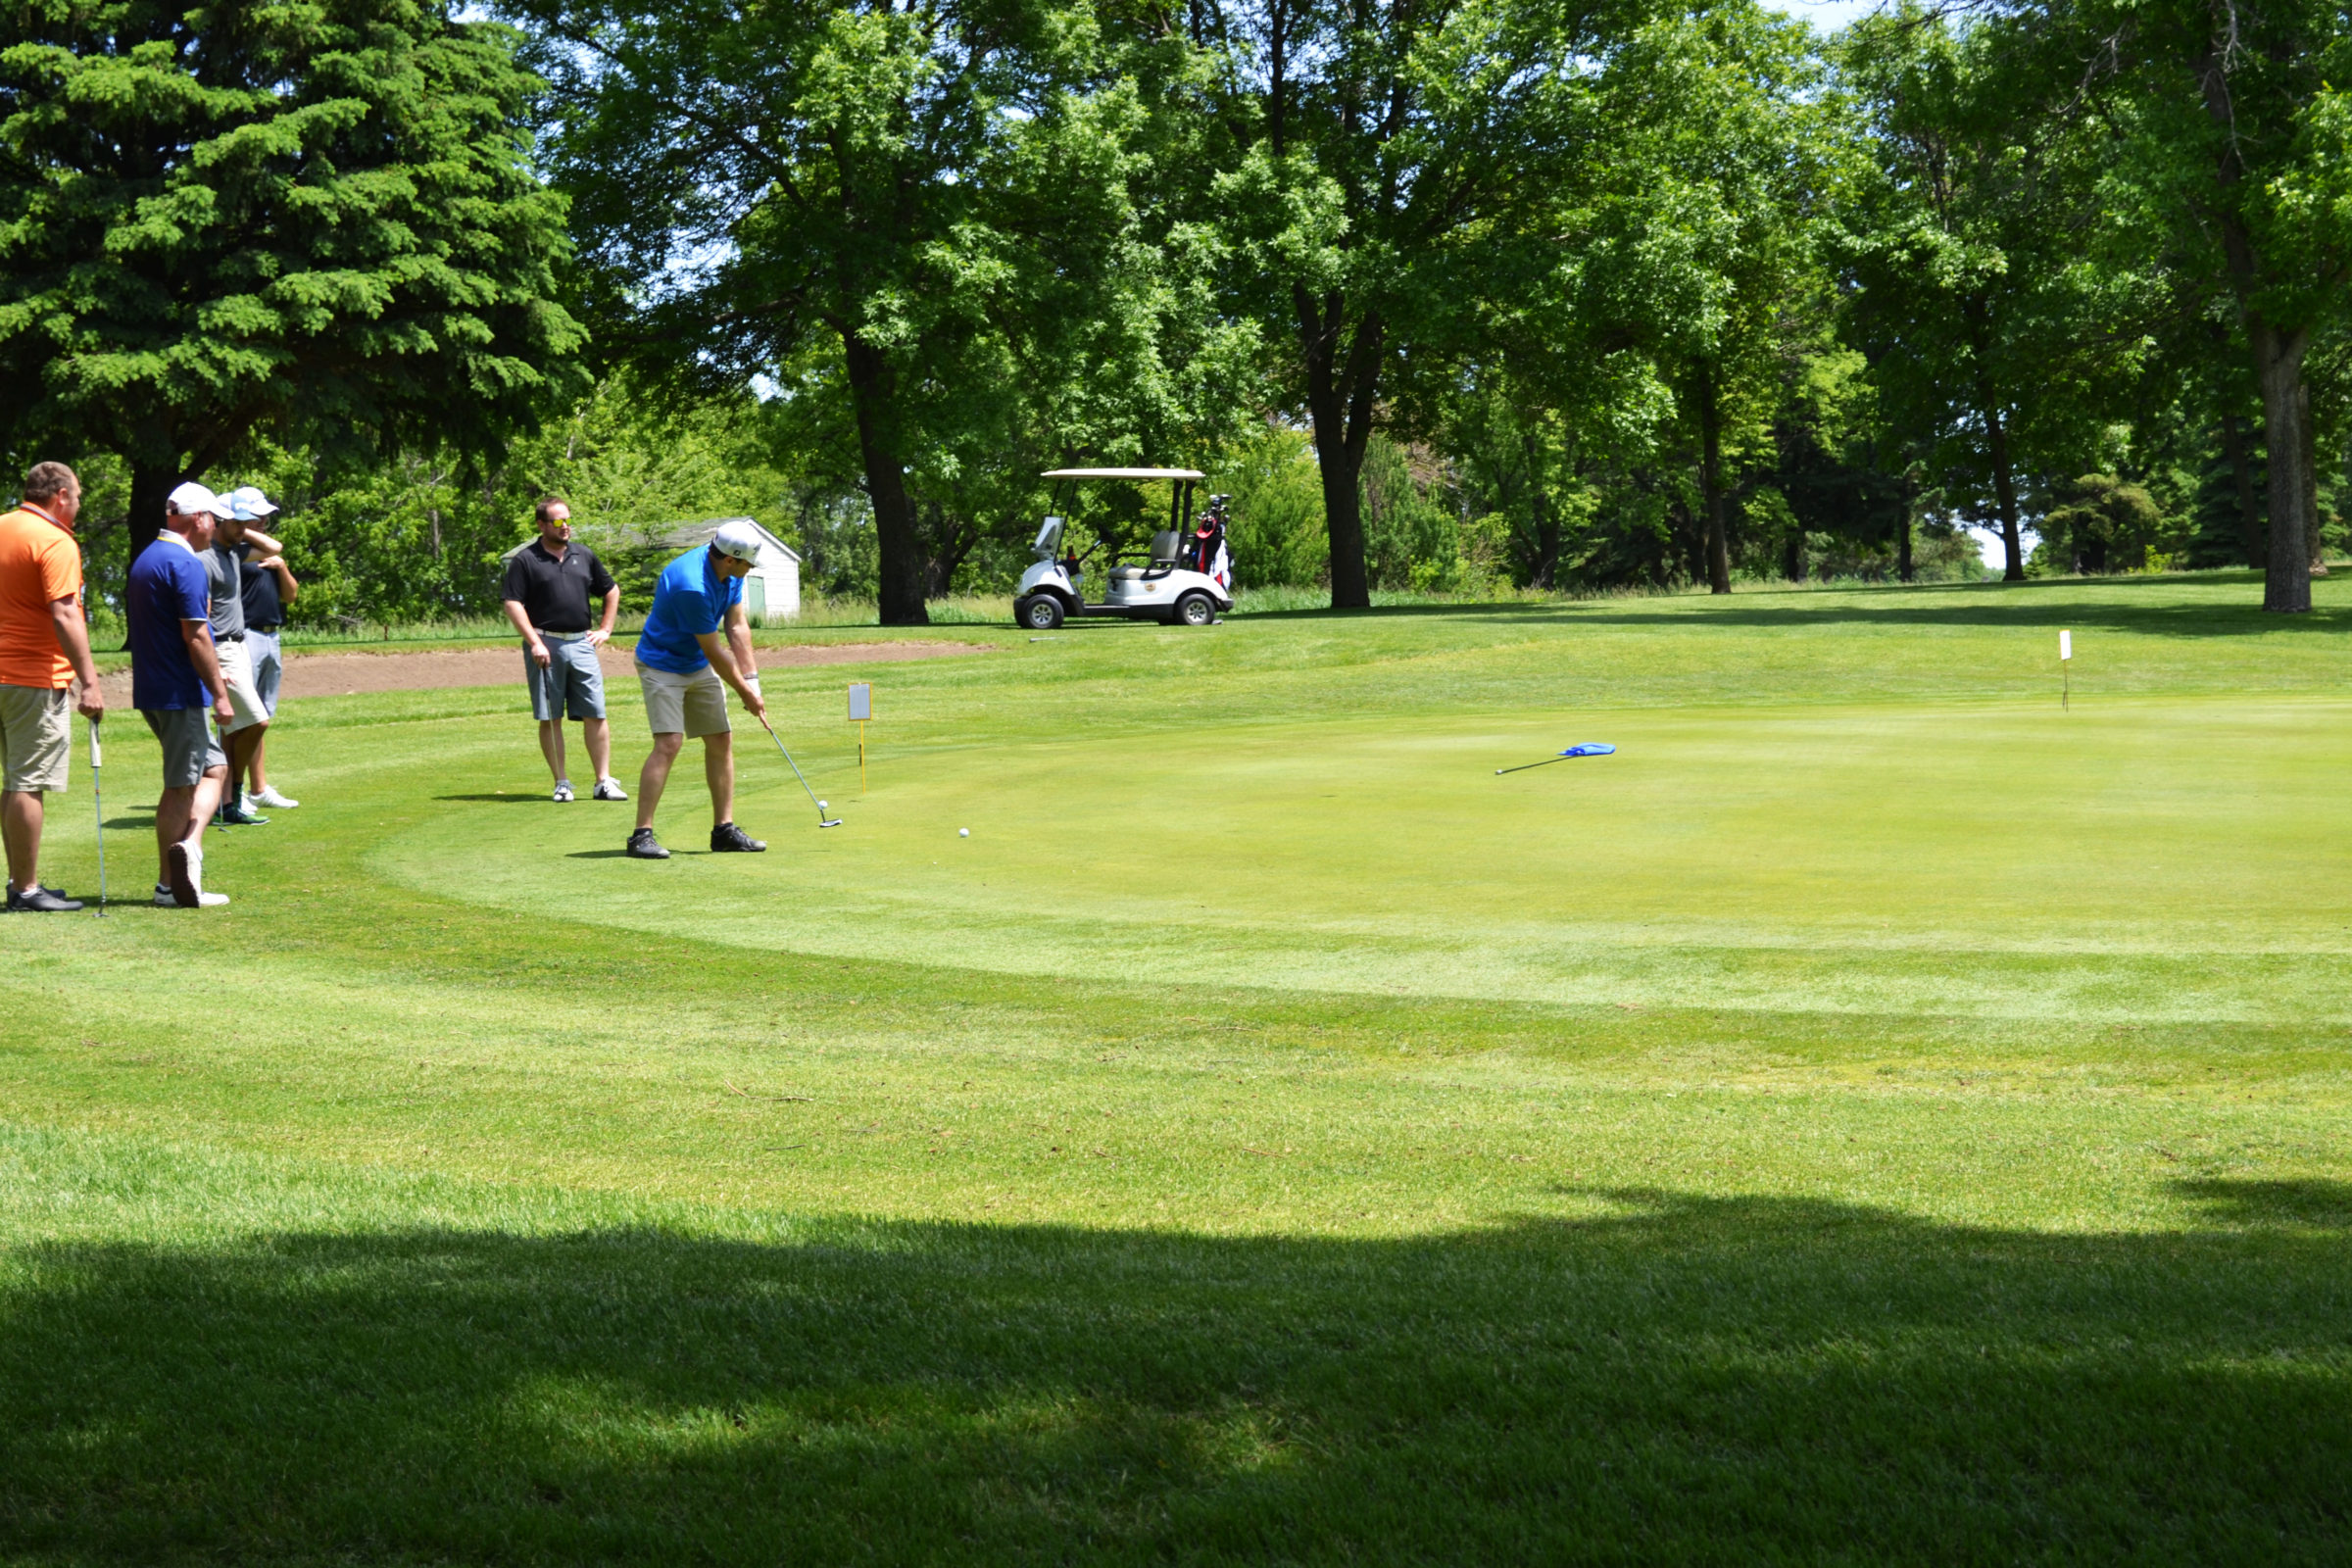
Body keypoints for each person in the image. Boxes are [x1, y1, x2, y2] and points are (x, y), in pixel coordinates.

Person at [625, 521, 768, 859]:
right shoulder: (692, 584)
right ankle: (640, 835)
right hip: (661, 663)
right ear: (731, 559)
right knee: (669, 742)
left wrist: (753, 682)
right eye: (748, 563)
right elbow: (714, 651)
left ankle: (724, 831)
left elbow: (736, 626)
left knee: (720, 738)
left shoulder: (730, 574)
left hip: (695, 663)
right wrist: (745, 695)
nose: (750, 569)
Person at [0, 462, 104, 912]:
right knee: (27, 781)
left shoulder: (3, 525)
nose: (79, 506)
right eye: (78, 497)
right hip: (32, 675)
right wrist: (91, 683)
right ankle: (26, 889)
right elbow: (65, 614)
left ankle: (19, 881)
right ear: (60, 495)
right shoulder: (55, 540)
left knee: (12, 782)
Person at [128, 483, 237, 907]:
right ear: (199, 519)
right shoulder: (186, 563)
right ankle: (169, 886)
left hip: (157, 687)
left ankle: (189, 847)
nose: (216, 526)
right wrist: (219, 693)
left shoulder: (148, 557)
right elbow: (195, 636)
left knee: (214, 769)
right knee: (181, 786)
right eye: (214, 518)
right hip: (179, 692)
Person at [500, 495, 624, 803]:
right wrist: (535, 642)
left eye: (568, 519)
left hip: (582, 643)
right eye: (558, 521)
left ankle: (603, 782)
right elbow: (512, 603)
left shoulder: (584, 555)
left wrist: (606, 629)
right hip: (546, 644)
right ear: (542, 525)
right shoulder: (526, 560)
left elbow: (611, 590)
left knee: (596, 712)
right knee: (550, 715)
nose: (565, 526)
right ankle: (562, 783)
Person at [194, 487, 274, 827]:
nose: (245, 527)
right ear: (220, 520)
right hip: (222, 649)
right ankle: (236, 792)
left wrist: (243, 525)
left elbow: (275, 547)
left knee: (237, 727)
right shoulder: (205, 558)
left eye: (248, 522)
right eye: (238, 521)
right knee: (258, 721)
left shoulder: (233, 552)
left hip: (239, 646)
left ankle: (227, 802)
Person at [220, 486, 300, 809]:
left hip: (271, 635)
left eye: (265, 515)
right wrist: (248, 533)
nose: (264, 520)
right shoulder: (234, 550)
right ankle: (232, 791)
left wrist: (281, 567)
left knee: (260, 716)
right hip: (244, 637)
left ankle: (257, 788)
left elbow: (290, 596)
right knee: (242, 718)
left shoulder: (261, 551)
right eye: (257, 515)